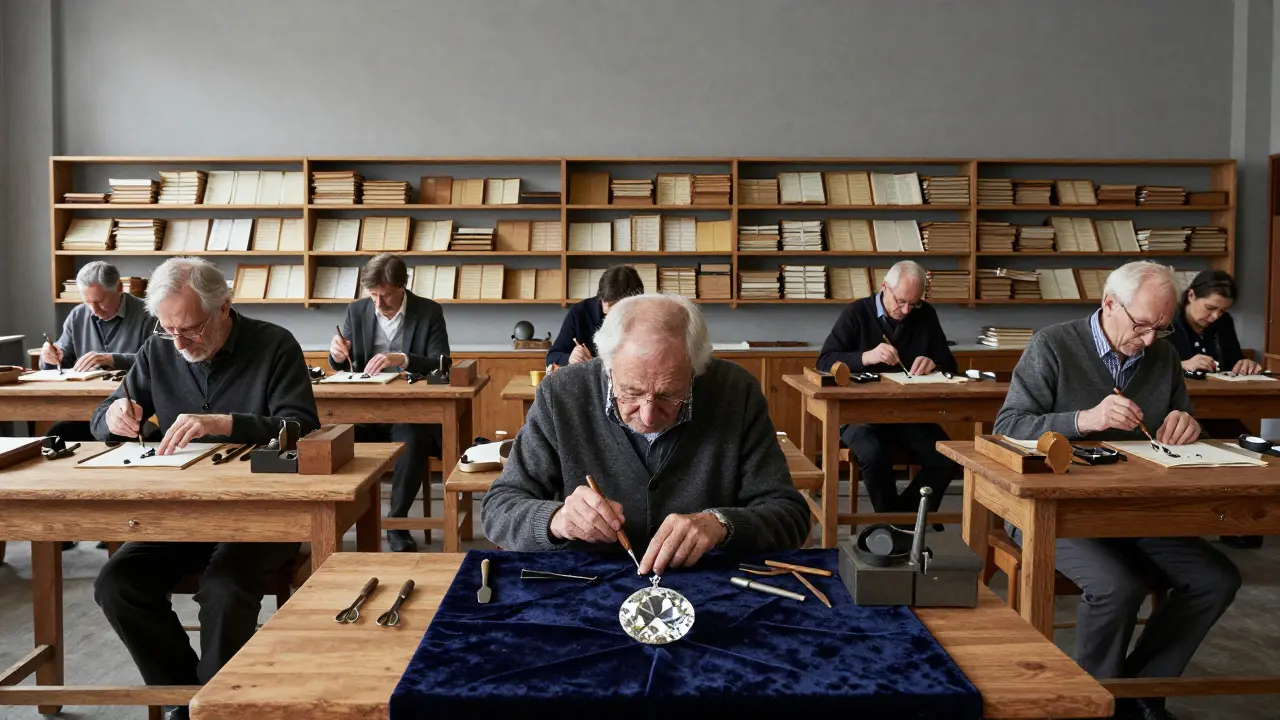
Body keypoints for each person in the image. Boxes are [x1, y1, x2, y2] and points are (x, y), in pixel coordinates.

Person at [995, 261, 1239, 720]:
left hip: (1136, 509)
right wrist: (1084, 420)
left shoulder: (1163, 356)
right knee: (1117, 586)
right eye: (1142, 325)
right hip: (1052, 509)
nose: (1149, 340)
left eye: (1161, 329)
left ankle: (1137, 692)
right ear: (1109, 304)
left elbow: (1184, 423)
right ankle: (1093, 707)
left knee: (1215, 579)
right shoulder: (1052, 344)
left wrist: (1188, 425)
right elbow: (1008, 426)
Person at [89, 258, 319, 719]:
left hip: (263, 514)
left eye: (190, 329)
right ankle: (187, 700)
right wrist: (113, 416)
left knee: (225, 589)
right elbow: (102, 418)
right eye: (168, 330)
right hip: (183, 514)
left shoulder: (274, 344)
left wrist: (226, 423)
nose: (179, 342)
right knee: (117, 584)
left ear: (223, 308)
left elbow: (302, 428)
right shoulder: (159, 349)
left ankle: (215, 709)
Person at [483, 294, 810, 573]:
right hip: (585, 586)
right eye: (631, 392)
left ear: (696, 371)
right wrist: (557, 520)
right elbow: (499, 508)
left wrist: (722, 524)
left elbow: (790, 517)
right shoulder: (562, 395)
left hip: (707, 587)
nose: (648, 415)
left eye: (669, 395)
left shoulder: (736, 392)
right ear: (607, 366)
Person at [328, 253, 450, 552]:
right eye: (373, 296)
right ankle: (338, 519)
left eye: (385, 296)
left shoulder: (428, 311)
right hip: (365, 410)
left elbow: (441, 362)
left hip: (412, 412)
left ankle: (397, 523)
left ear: (402, 285)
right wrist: (336, 355)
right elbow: (343, 364)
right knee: (330, 437)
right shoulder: (357, 310)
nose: (379, 304)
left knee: (412, 439)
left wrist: (404, 359)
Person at [816, 260, 959, 513]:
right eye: (901, 301)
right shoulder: (856, 313)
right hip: (858, 415)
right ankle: (896, 523)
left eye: (914, 303)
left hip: (909, 414)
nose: (906, 310)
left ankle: (900, 520)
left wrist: (933, 363)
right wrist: (866, 357)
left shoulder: (925, 314)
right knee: (874, 455)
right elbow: (825, 361)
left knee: (947, 457)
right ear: (884, 287)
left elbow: (949, 365)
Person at [1169, 269, 1263, 549]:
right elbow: (1147, 362)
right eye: (1210, 308)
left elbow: (1233, 361)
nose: (1215, 316)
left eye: (1222, 311)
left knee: (1248, 446)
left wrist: (1244, 365)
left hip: (1217, 406)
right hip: (1177, 412)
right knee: (1204, 445)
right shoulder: (1167, 321)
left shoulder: (1223, 322)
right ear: (1191, 296)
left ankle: (1239, 522)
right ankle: (1205, 519)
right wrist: (1182, 364)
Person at [41, 261, 154, 441]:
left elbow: (157, 360)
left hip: (131, 406)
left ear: (119, 288)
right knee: (57, 435)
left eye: (99, 302)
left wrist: (112, 359)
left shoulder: (148, 314)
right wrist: (50, 357)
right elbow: (62, 360)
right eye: (87, 302)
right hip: (84, 403)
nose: (93, 310)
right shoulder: (77, 315)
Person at [545, 265, 644, 367]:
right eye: (609, 305)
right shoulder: (579, 313)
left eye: (618, 306)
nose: (613, 313)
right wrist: (569, 359)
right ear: (601, 297)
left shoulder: (645, 316)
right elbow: (552, 356)